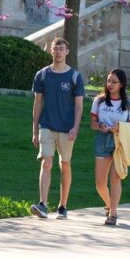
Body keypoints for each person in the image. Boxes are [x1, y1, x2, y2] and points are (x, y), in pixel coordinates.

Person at [30, 37, 84, 219]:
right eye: (56, 49)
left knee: (65, 164)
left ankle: (63, 206)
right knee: (47, 162)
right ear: (51, 51)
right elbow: (37, 104)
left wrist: (76, 127)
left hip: (67, 128)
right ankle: (43, 204)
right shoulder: (42, 75)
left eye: (62, 49)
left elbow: (79, 106)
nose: (58, 52)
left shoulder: (75, 77)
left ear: (67, 52)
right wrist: (35, 130)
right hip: (47, 125)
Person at [90, 69, 130, 226]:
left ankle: (113, 214)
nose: (110, 84)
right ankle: (110, 204)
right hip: (102, 140)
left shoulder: (129, 104)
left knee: (115, 179)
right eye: (108, 81)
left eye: (114, 82)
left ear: (122, 84)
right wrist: (100, 125)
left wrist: (120, 127)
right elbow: (92, 123)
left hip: (120, 142)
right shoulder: (99, 101)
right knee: (99, 183)